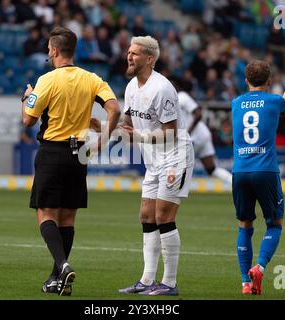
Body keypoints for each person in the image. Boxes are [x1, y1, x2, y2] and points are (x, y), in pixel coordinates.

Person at [21, 26, 120, 296]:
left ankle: (63, 265)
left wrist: (26, 98)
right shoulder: (92, 79)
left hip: (52, 151)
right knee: (67, 218)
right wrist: (104, 140)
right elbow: (114, 109)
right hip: (79, 154)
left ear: (53, 50)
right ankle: (56, 279)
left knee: (45, 214)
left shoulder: (47, 80)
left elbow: (28, 119)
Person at [118, 36, 195, 296]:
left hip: (176, 157)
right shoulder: (130, 87)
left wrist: (137, 136)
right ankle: (147, 280)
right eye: (129, 52)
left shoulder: (162, 88)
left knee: (163, 216)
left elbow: (171, 132)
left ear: (149, 59)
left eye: (135, 53)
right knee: (146, 216)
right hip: (153, 161)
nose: (129, 57)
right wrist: (102, 130)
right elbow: (125, 124)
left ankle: (170, 283)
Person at [231, 60, 285, 295]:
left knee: (244, 224)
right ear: (269, 81)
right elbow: (284, 107)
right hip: (266, 170)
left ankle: (245, 282)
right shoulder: (275, 100)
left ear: (245, 80)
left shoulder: (235, 103)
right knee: (274, 223)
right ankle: (260, 266)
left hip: (240, 171)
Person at [170, 76, 232, 184]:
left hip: (195, 137)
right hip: (203, 135)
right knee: (211, 169)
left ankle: (172, 191)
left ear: (175, 86)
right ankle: (234, 183)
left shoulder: (182, 96)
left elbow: (198, 114)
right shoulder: (173, 101)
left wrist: (188, 132)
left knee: (175, 163)